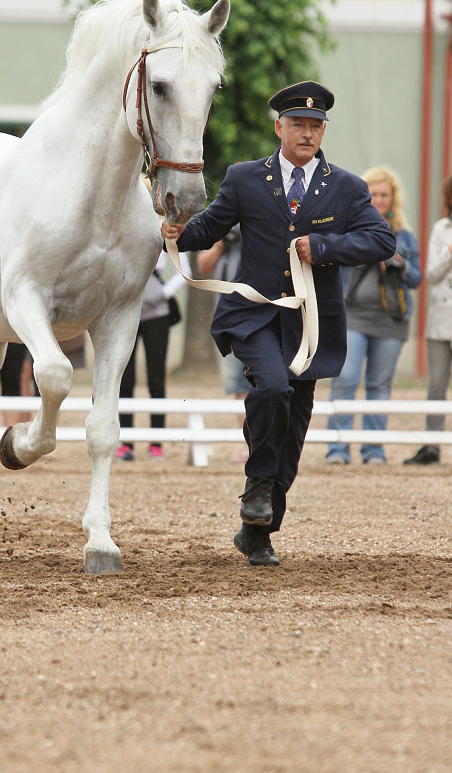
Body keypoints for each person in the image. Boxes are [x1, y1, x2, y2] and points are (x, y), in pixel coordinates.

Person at [161, 81, 396, 566]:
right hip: (253, 315)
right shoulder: (246, 177)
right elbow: (212, 226)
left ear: (323, 131)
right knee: (270, 389)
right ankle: (257, 485)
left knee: (292, 427)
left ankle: (257, 531)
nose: (307, 133)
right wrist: (179, 232)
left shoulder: (348, 187)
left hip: (310, 325)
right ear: (279, 128)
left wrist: (326, 248)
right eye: (298, 125)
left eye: (315, 126)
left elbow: (381, 241)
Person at [325, 167, 422, 465]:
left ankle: (373, 450)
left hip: (391, 320)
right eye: (373, 194)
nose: (378, 200)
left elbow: (417, 279)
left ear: (393, 199)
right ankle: (338, 448)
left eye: (384, 195)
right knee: (345, 378)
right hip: (351, 315)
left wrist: (398, 263)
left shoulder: (404, 236)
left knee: (379, 385)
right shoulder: (348, 227)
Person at [115, 249, 189, 460]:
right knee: (125, 379)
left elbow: (185, 271)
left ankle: (156, 442)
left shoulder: (165, 233)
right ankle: (126, 442)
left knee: (156, 379)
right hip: (126, 314)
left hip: (157, 316)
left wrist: (162, 293)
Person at [404, 176, 452, 466]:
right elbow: (430, 274)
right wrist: (449, 253)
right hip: (442, 319)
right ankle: (432, 445)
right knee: (436, 384)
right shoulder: (440, 229)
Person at [197, 227, 250, 462]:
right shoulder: (220, 237)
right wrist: (219, 243)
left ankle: (265, 444)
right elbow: (203, 267)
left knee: (260, 386)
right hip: (227, 321)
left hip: (255, 318)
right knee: (239, 388)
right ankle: (250, 446)